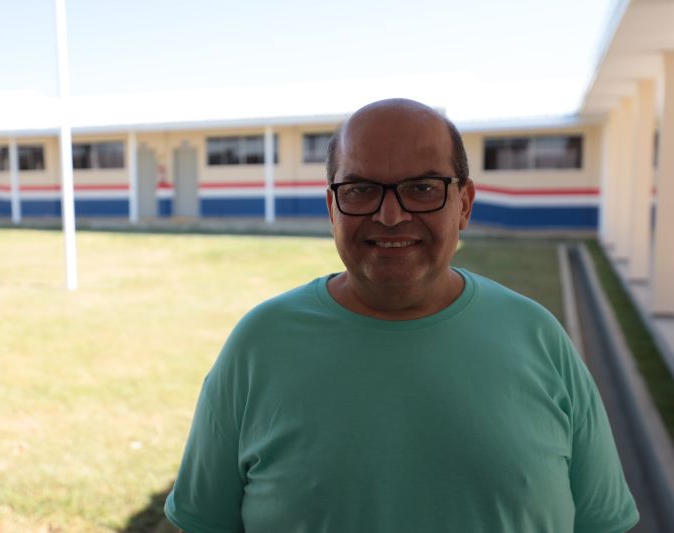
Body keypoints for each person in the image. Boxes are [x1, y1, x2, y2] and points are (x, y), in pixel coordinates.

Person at [164, 98, 639, 532]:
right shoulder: (259, 344)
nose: (390, 216)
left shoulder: (538, 338)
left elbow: (601, 522)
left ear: (464, 205)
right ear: (332, 207)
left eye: (423, 187)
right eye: (360, 189)